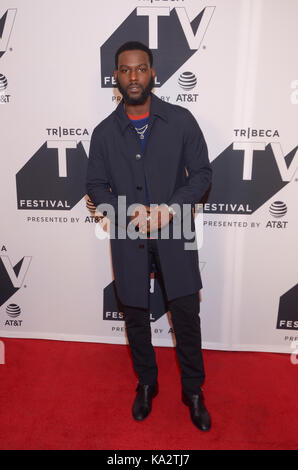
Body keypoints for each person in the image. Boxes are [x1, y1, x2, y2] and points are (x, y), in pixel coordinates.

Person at [86, 41, 212, 431]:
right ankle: (147, 383)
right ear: (116, 78)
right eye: (126, 70)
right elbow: (95, 186)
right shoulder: (104, 133)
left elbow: (203, 175)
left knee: (186, 315)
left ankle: (193, 390)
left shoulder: (182, 120)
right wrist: (129, 213)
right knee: (136, 316)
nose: (134, 77)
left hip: (177, 232)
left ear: (153, 73)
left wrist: (169, 209)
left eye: (141, 69)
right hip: (128, 234)